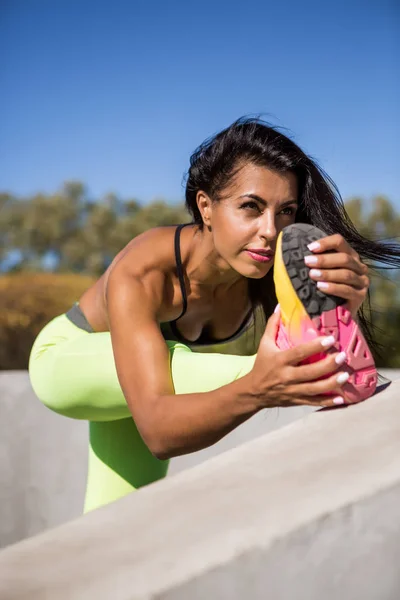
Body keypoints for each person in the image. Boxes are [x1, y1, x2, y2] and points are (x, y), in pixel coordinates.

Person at [29, 118, 400, 511]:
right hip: (64, 362)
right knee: (268, 365)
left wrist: (343, 302)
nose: (270, 231)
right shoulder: (143, 272)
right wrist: (259, 387)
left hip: (138, 387)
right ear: (206, 206)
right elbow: (160, 432)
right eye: (250, 208)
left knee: (114, 520)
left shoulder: (265, 267)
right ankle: (314, 365)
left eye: (286, 211)